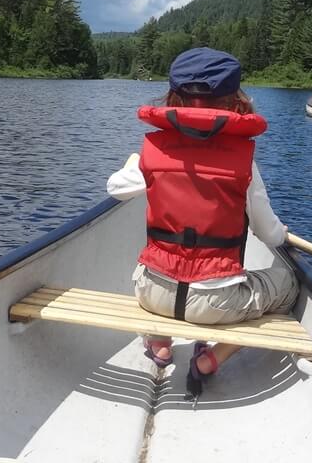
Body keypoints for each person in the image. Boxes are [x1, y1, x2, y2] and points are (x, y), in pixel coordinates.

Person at [107, 47, 298, 398]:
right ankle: (211, 358)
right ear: (234, 101)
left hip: (152, 294)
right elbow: (268, 233)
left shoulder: (154, 150)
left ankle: (161, 344)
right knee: (286, 281)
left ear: (173, 95)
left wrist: (133, 160)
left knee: (151, 262)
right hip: (216, 305)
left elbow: (116, 189)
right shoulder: (244, 160)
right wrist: (282, 232)